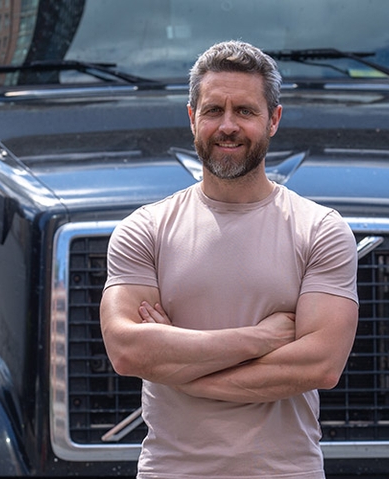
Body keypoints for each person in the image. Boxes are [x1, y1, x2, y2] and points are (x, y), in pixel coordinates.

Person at [100, 40, 359, 479]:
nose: (228, 126)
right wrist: (260, 338)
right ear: (191, 118)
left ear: (273, 119)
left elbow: (321, 364)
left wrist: (179, 370)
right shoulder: (143, 230)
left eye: (245, 111)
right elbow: (126, 351)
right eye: (213, 110)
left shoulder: (320, 230)